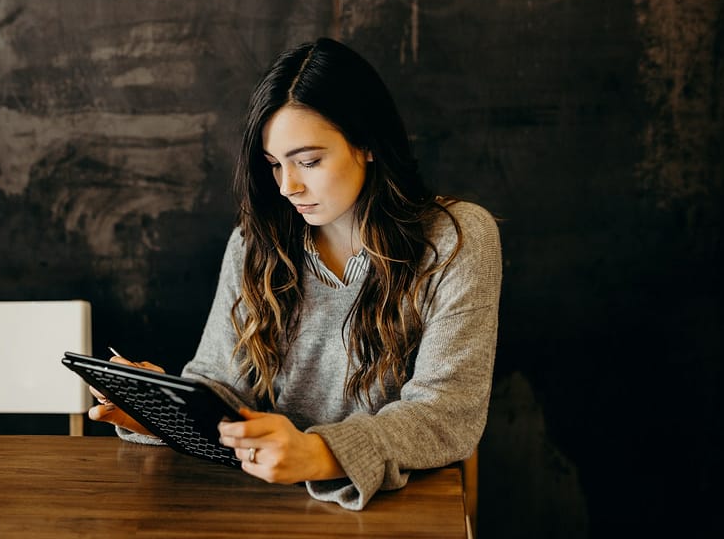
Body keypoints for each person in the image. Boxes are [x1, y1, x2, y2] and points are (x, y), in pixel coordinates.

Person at [89, 37, 502, 511]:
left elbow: (447, 412)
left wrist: (319, 453)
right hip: (267, 507)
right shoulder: (253, 243)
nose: (288, 187)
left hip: (402, 509)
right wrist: (161, 411)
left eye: (309, 161)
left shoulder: (456, 239)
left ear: (367, 143)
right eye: (274, 165)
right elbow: (223, 387)